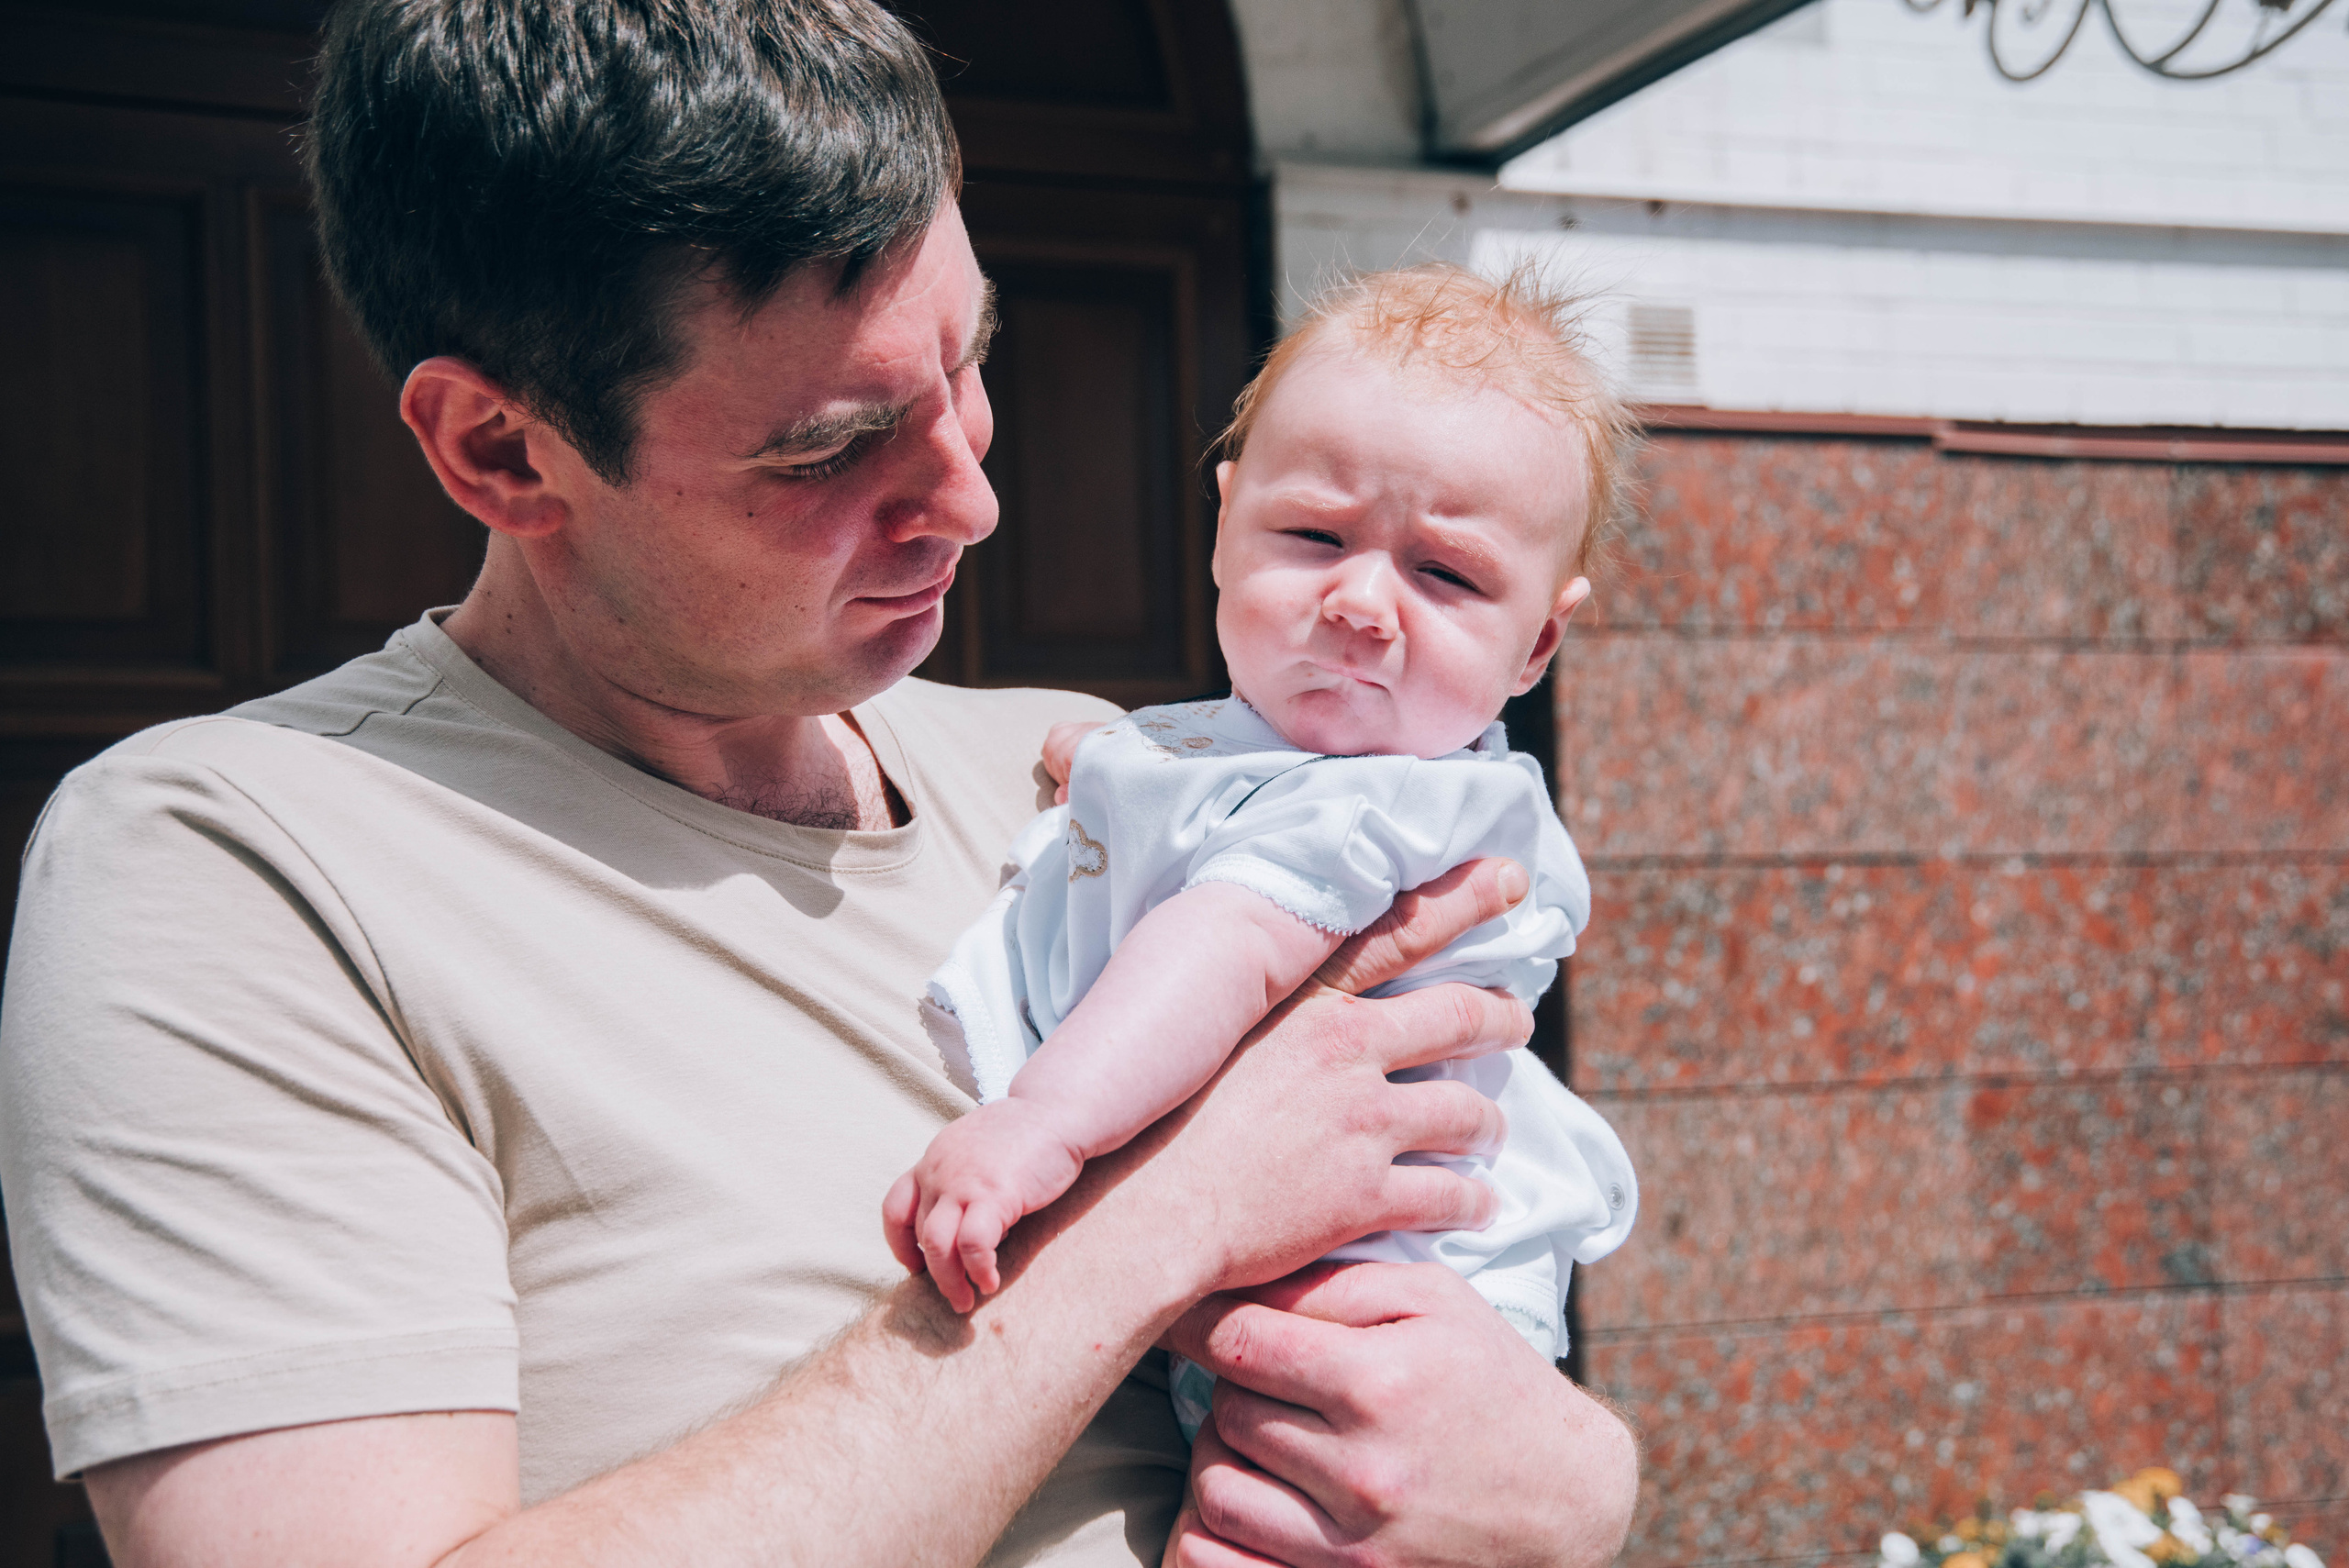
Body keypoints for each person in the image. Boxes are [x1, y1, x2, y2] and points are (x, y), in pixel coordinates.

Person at [0, 4, 1641, 1564]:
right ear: (501, 452)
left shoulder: (1088, 783)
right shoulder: (235, 865)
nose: (970, 496)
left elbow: (1470, 1304)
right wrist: (1168, 1215)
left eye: (970, 365)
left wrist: (1574, 1483)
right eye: (834, 447)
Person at [887, 265, 1638, 1447]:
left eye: (1444, 574)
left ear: (1538, 640)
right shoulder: (1263, 751)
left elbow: (1225, 942)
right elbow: (1201, 789)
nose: (1361, 603)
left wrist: (1045, 1126)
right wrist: (1115, 768)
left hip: (1375, 1302)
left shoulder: (1400, 807)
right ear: (1227, 527)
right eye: (1313, 534)